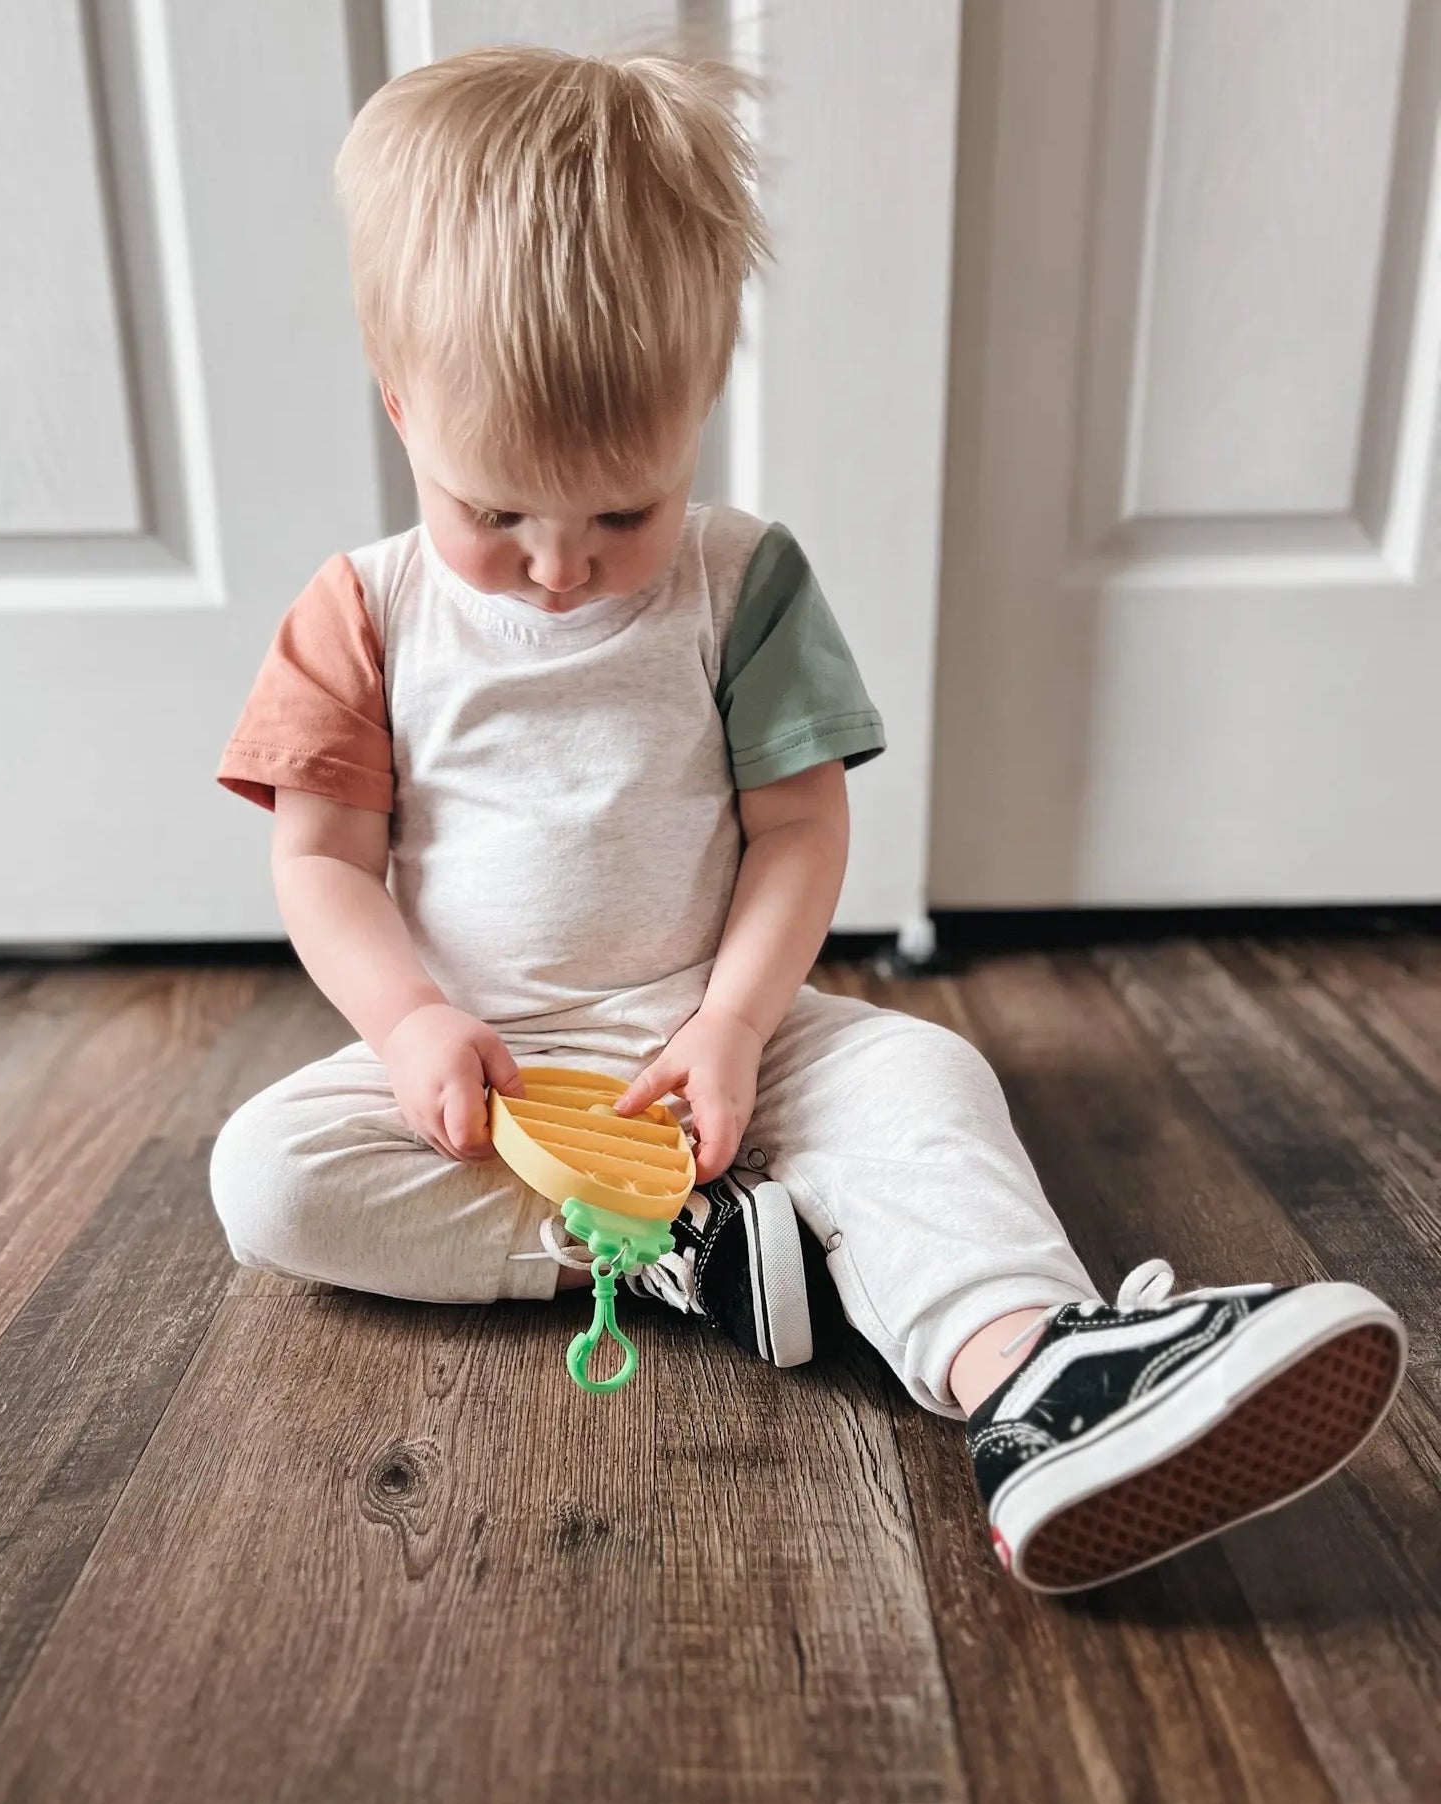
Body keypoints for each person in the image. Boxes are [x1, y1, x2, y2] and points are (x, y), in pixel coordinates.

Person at [209, 46, 1405, 1592]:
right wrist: (411, 1021)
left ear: (702, 406)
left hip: (708, 1048)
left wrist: (736, 1025)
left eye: (621, 514)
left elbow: (795, 833)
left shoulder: (744, 581)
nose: (558, 565)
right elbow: (319, 862)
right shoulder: (361, 609)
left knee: (925, 1074)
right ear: (399, 406)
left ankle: (1039, 1374)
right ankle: (686, 1256)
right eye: (495, 511)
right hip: (490, 1088)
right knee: (270, 1176)